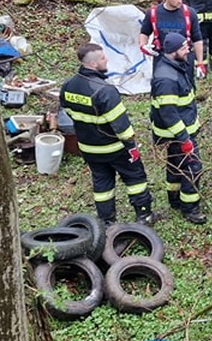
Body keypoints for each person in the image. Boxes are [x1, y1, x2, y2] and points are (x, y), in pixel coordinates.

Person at [60, 43, 155, 226]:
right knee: (135, 179)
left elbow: (68, 112)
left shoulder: (68, 86)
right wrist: (131, 147)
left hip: (88, 148)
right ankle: (144, 215)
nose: (107, 60)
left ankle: (106, 221)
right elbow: (122, 126)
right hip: (115, 148)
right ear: (94, 64)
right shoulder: (105, 91)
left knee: (102, 184)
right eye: (103, 58)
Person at [149, 33, 206, 224]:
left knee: (175, 165)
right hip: (178, 134)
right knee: (193, 168)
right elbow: (169, 114)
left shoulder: (175, 65)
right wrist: (184, 139)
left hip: (178, 132)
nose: (188, 50)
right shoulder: (166, 79)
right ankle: (190, 209)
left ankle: (174, 199)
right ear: (173, 52)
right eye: (183, 48)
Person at [139, 0, 206, 83]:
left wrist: (200, 63)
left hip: (185, 59)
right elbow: (144, 32)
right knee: (163, 86)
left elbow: (197, 39)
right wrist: (143, 46)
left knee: (186, 88)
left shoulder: (189, 13)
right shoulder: (153, 13)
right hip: (161, 58)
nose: (180, 1)